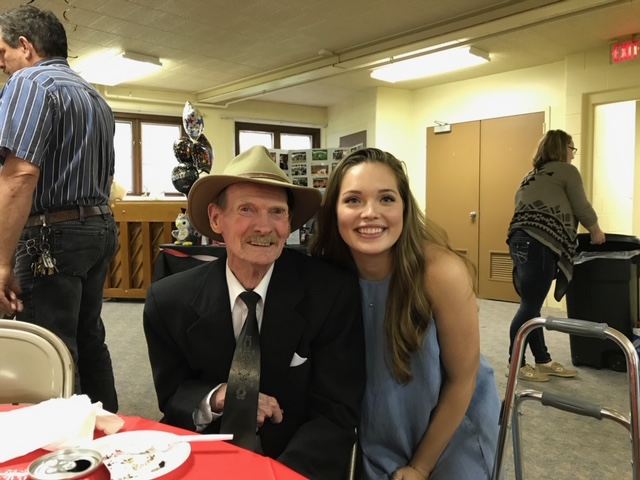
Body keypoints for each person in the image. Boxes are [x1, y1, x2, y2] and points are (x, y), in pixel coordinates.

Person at [143, 145, 365, 480]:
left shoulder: (330, 293)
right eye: (246, 209)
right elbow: (173, 395)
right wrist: (215, 397)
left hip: (294, 463)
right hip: (205, 459)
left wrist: (278, 476)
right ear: (216, 218)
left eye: (277, 212)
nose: (264, 227)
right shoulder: (169, 300)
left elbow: (337, 411)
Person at [310, 148, 500, 480]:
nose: (370, 213)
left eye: (386, 199)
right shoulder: (326, 275)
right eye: (353, 200)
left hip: (450, 432)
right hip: (375, 433)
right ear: (334, 211)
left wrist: (420, 467)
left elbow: (462, 380)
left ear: (404, 208)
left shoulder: (440, 273)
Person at [0, 5, 118, 411]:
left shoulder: (28, 82)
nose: (2, 63)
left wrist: (1, 261)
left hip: (52, 235)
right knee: (88, 336)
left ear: (25, 46)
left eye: (3, 53)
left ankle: (63, 441)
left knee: (49, 346)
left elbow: (20, 175)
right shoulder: (93, 96)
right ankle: (106, 426)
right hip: (98, 228)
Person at [506, 129, 605, 382]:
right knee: (529, 306)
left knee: (531, 304)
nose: (573, 154)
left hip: (519, 239)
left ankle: (543, 361)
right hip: (539, 242)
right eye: (571, 148)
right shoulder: (566, 171)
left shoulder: (530, 176)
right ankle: (515, 364)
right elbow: (581, 205)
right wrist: (595, 230)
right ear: (562, 148)